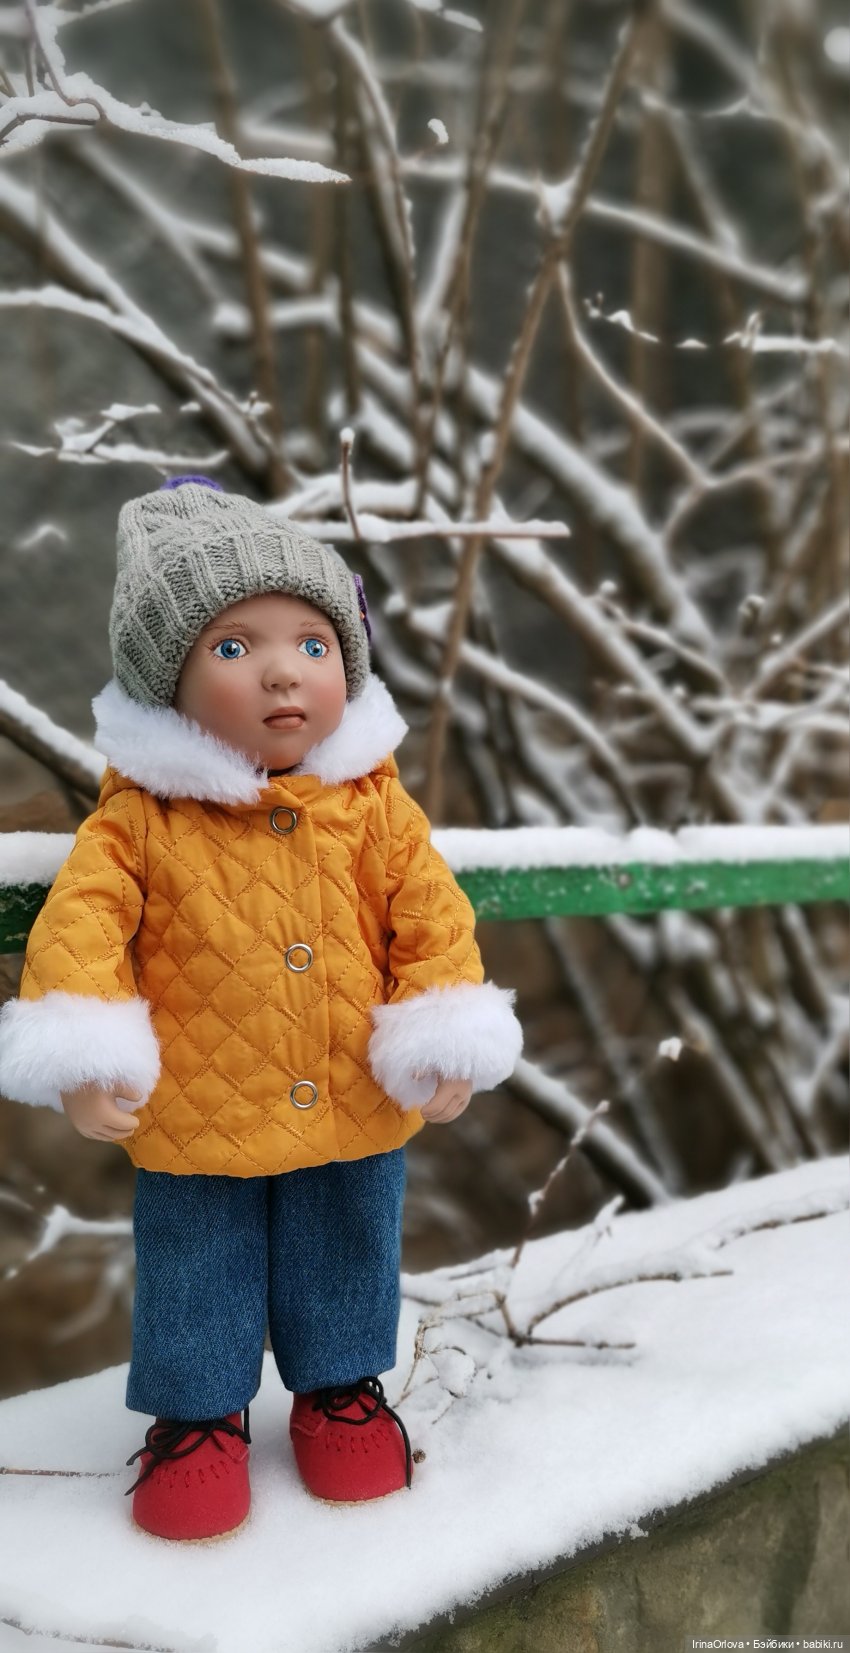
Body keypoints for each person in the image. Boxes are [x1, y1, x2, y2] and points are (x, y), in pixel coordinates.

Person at [0, 476, 523, 1543]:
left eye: (313, 644)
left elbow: (431, 917)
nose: (284, 671)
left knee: (349, 1242)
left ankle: (341, 1393)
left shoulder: (376, 804)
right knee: (198, 1259)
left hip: (350, 1093)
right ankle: (199, 1418)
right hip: (197, 1112)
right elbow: (83, 925)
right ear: (171, 683)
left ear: (347, 665)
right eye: (233, 649)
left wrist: (443, 1025)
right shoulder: (140, 819)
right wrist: (85, 1045)